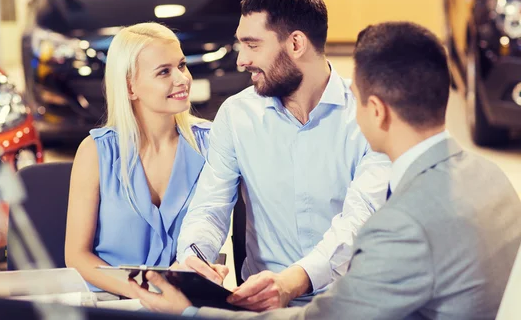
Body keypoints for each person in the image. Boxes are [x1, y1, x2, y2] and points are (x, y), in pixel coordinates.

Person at [131, 21, 521, 319]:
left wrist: (188, 312)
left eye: (357, 98)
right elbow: (210, 204)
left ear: (377, 110)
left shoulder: (402, 225)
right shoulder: (492, 178)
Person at [173, 0, 391, 310]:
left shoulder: (367, 113)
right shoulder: (236, 115)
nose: (241, 60)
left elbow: (361, 219)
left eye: (253, 45)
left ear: (296, 44)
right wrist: (193, 258)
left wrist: (293, 281)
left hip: (351, 303)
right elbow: (210, 207)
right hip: (264, 305)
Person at [64, 22, 211, 298]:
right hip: (111, 304)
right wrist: (146, 296)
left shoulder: (211, 145)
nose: (182, 79)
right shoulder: (96, 152)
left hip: (186, 305)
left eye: (181, 65)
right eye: (164, 72)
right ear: (130, 86)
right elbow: (77, 255)